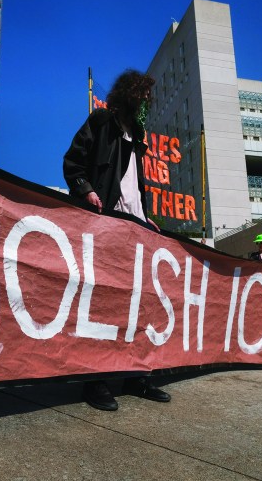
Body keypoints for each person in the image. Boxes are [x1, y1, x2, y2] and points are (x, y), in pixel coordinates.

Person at [63, 69, 170, 412]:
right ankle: (95, 380)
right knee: (104, 303)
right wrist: (87, 191)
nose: (146, 104)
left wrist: (147, 213)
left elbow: (135, 184)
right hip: (106, 225)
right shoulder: (100, 121)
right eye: (143, 97)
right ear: (129, 96)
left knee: (139, 304)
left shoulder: (138, 134)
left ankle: (136, 375)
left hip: (135, 229)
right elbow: (73, 163)